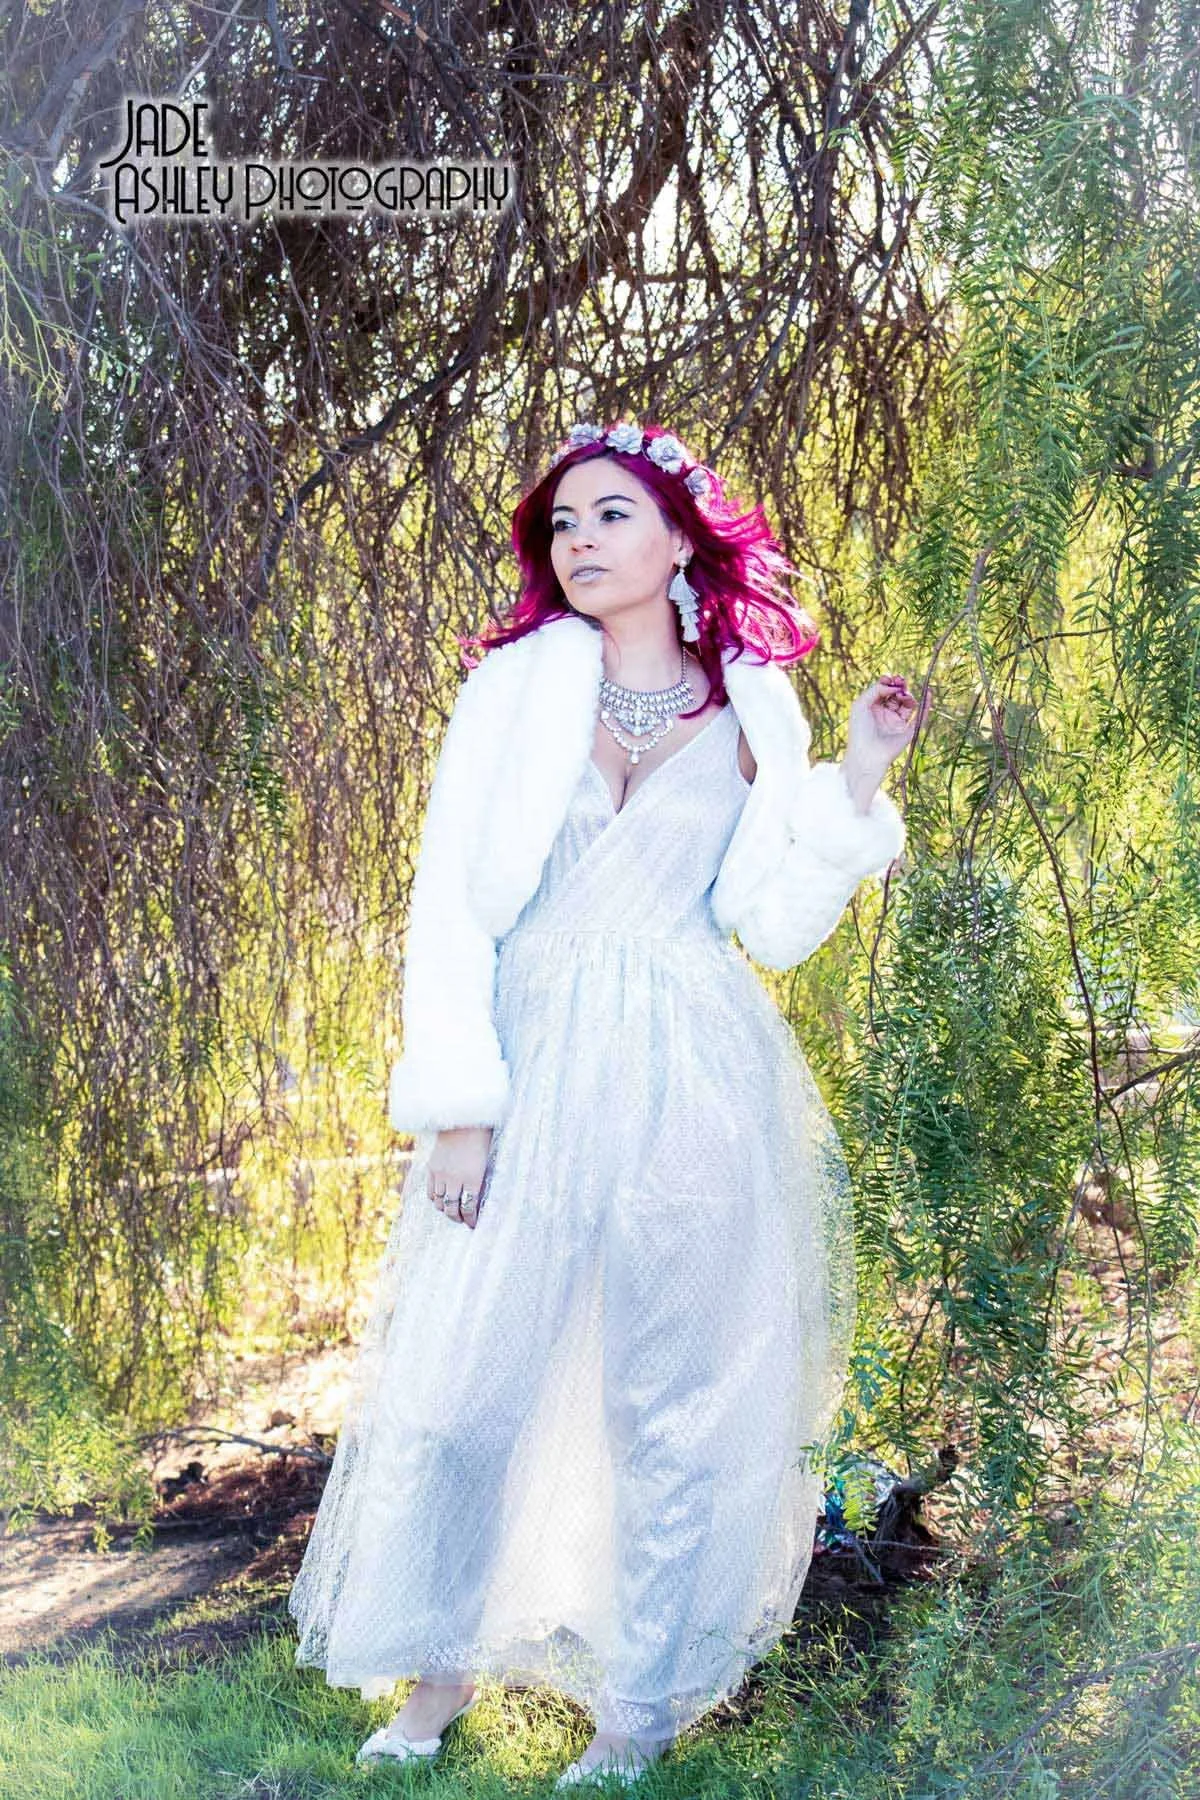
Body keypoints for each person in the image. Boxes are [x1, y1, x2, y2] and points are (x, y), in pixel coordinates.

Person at [287, 420, 926, 1786]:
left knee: (675, 1402)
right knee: (467, 1394)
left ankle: (634, 1715)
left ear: (681, 538)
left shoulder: (754, 707)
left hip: (694, 1071)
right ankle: (433, 1684)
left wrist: (858, 780)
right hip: (530, 1055)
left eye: (610, 516)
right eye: (563, 523)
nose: (579, 541)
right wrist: (462, 1102)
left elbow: (768, 920)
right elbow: (451, 904)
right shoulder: (514, 692)